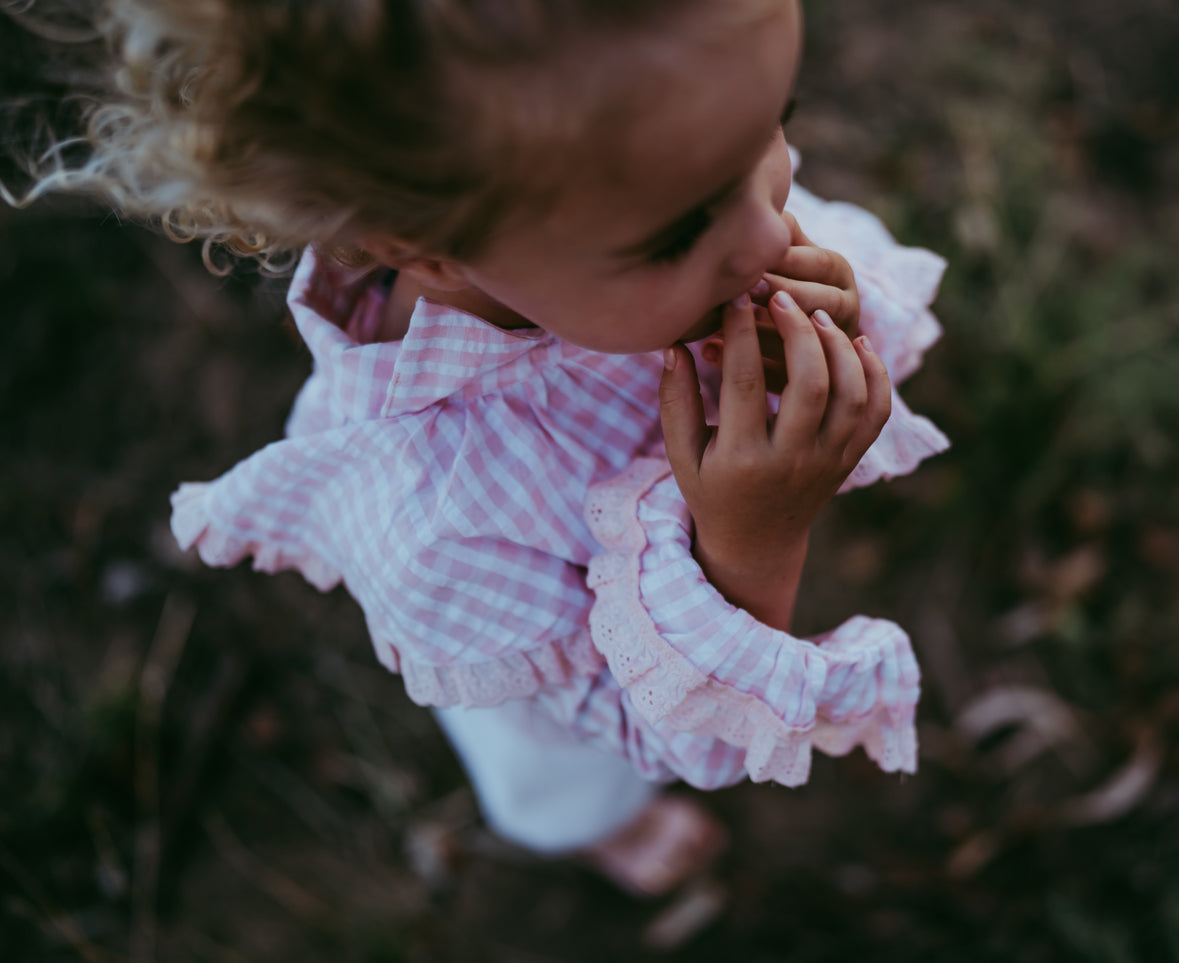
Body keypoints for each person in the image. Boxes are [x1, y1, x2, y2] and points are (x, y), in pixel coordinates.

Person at [5, 0, 948, 895]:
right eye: (678, 233)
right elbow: (640, 721)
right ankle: (598, 833)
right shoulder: (441, 524)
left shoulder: (639, 186)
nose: (768, 232)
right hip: (576, 697)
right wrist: (751, 545)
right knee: (577, 780)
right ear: (431, 248)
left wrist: (813, 339)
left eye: (771, 127)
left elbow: (730, 213)